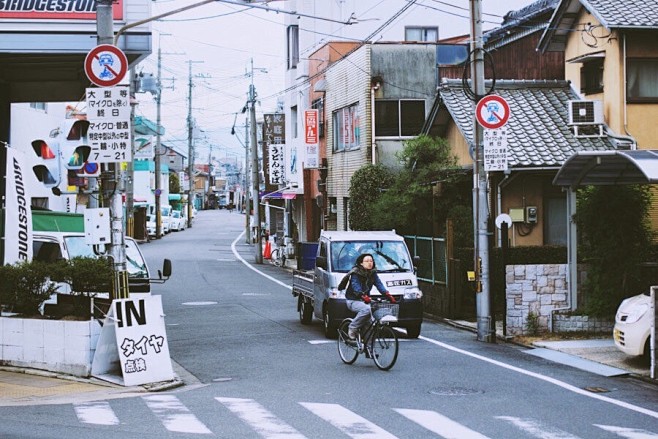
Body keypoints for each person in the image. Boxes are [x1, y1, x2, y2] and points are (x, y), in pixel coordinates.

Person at [345, 253, 396, 340]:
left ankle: (369, 350)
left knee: (370, 323)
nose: (370, 263)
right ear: (361, 263)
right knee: (367, 309)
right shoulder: (355, 273)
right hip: (353, 300)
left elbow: (379, 284)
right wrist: (362, 295)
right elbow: (355, 286)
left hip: (365, 300)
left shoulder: (373, 273)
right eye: (367, 261)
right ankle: (352, 327)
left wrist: (387, 294)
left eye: (371, 261)